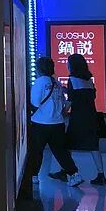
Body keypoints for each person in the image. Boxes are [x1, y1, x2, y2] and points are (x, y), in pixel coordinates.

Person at [25, 57, 81, 186]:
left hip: (40, 124)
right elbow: (63, 102)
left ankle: (34, 176)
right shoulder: (56, 83)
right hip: (57, 123)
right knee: (61, 152)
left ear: (39, 69)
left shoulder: (39, 82)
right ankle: (74, 174)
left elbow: (35, 103)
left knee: (36, 151)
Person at [65, 53, 106, 186]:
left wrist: (62, 112)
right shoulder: (89, 80)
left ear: (72, 65)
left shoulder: (72, 80)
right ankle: (101, 175)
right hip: (92, 117)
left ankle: (68, 171)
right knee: (93, 146)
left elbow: (71, 100)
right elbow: (87, 97)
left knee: (68, 144)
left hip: (78, 118)